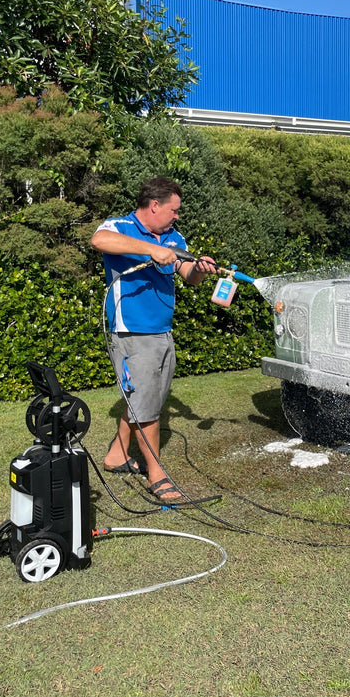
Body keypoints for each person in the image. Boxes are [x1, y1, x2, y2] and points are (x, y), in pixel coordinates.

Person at [91, 177, 218, 501]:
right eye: (174, 210)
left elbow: (188, 276)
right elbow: (99, 240)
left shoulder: (175, 237)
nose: (177, 216)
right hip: (132, 332)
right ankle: (157, 474)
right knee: (146, 406)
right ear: (155, 205)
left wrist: (200, 268)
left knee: (147, 400)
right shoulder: (120, 226)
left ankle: (117, 455)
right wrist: (152, 249)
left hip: (162, 331)